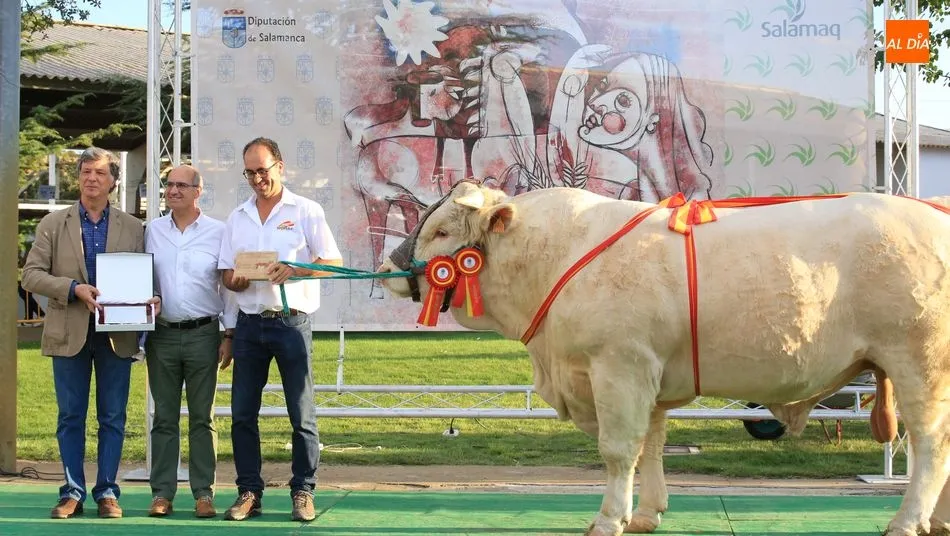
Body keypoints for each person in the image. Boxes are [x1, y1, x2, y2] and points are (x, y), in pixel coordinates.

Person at [21, 146, 161, 519]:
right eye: (85, 172)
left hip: (118, 334)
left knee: (113, 418)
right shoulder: (53, 224)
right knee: (71, 417)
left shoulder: (134, 227)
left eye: (100, 173)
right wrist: (72, 289)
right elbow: (30, 274)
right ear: (78, 177)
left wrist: (152, 297)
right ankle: (72, 492)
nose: (91, 179)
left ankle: (107, 493)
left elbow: (146, 277)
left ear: (113, 181)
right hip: (69, 331)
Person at [218, 137, 343, 522]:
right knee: (242, 414)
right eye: (250, 172)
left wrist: (296, 269)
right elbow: (226, 272)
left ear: (280, 167)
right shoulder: (237, 217)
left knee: (301, 414)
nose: (258, 179)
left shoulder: (305, 210)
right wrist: (234, 281)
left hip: (291, 323)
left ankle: (303, 490)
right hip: (250, 325)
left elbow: (332, 261)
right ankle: (249, 492)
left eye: (263, 170)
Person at [143, 164, 236, 519]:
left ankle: (203, 494)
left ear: (199, 191)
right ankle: (162, 494)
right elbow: (144, 278)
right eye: (169, 185)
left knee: (202, 418)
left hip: (203, 335)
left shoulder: (218, 232)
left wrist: (230, 333)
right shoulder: (151, 231)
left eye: (182, 185)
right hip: (162, 336)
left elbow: (227, 288)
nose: (173, 190)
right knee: (164, 418)